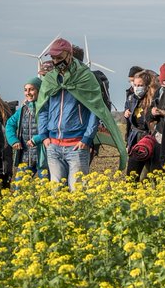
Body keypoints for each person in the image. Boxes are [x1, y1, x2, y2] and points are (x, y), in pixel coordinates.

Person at [37, 38, 125, 188]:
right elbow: (43, 108)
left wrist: (86, 138)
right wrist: (44, 136)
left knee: (77, 189)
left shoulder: (85, 77)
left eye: (59, 57)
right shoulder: (50, 79)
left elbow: (94, 109)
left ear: (69, 55)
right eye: (53, 58)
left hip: (76, 145)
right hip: (53, 144)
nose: (56, 61)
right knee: (55, 190)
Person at [121, 69, 159, 180]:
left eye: (140, 85)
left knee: (152, 175)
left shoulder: (154, 100)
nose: (137, 88)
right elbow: (129, 125)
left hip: (150, 139)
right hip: (135, 139)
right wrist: (126, 114)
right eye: (135, 85)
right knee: (132, 176)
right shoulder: (131, 99)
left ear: (147, 86)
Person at [5, 77, 44, 176]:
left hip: (43, 157)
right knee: (20, 184)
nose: (28, 93)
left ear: (39, 90)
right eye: (25, 90)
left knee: (45, 184)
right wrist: (13, 140)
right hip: (26, 156)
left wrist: (37, 139)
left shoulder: (46, 108)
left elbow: (51, 128)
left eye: (31, 89)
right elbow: (10, 124)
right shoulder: (23, 110)